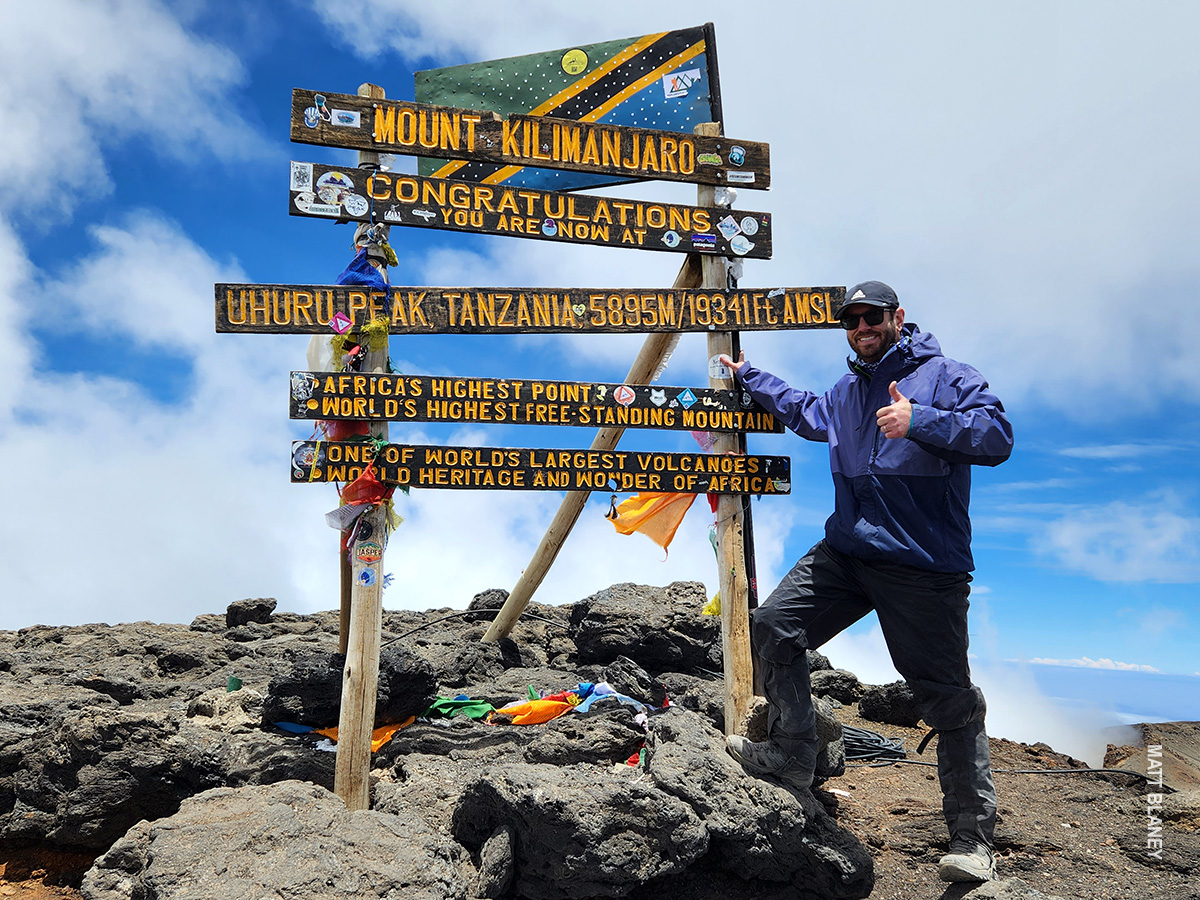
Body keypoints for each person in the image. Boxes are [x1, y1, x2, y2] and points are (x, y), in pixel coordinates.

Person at [718, 280, 1012, 884]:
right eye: (850, 319)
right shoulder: (846, 391)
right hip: (848, 551)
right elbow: (804, 411)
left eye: (871, 316)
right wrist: (751, 376)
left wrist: (921, 419)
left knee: (947, 697)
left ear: (897, 316)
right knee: (774, 626)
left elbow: (997, 438)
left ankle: (971, 839)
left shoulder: (949, 376)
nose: (861, 327)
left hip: (923, 565)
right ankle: (794, 755)